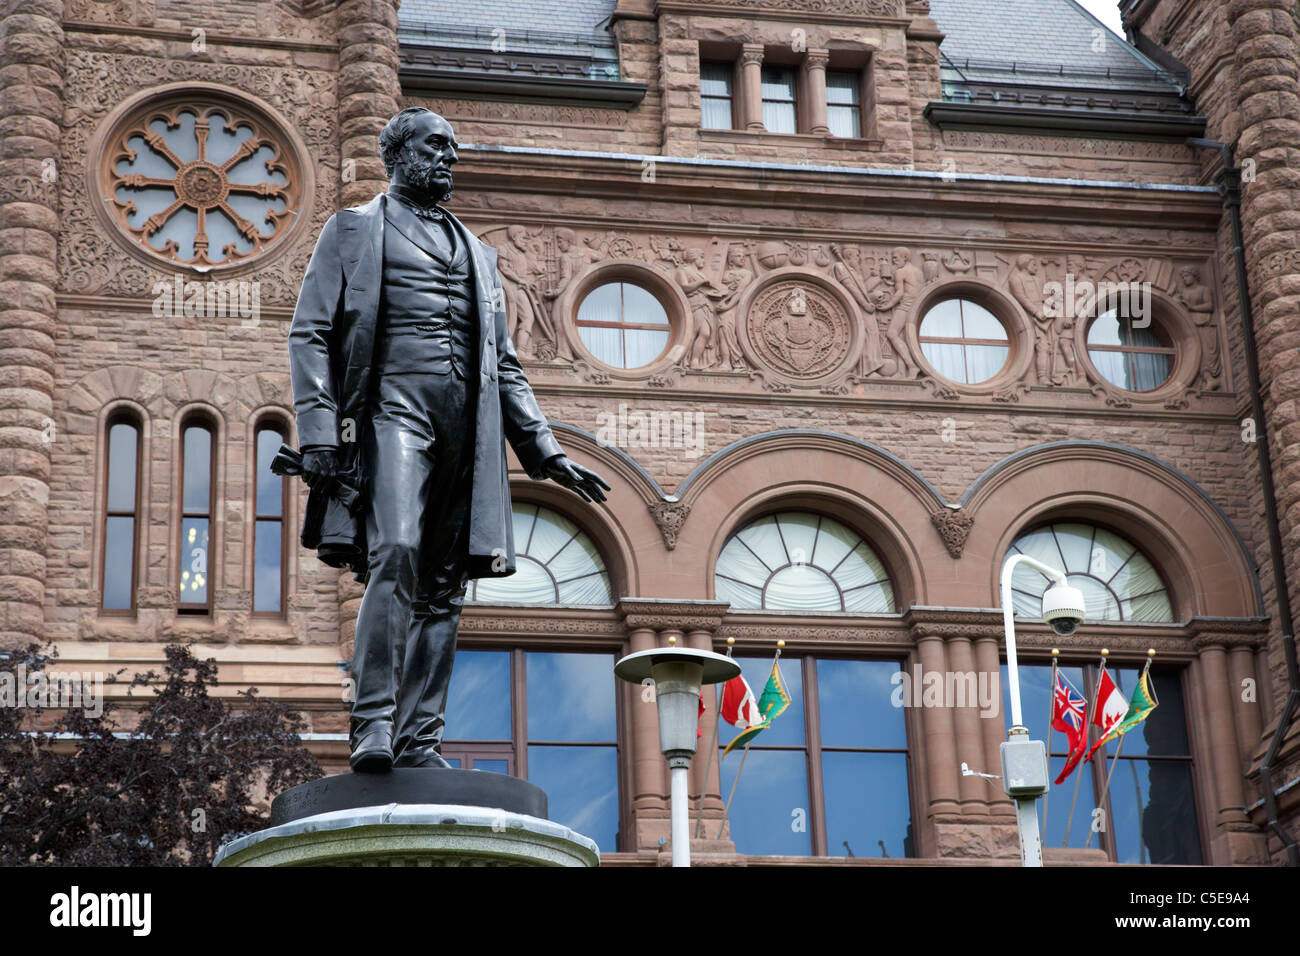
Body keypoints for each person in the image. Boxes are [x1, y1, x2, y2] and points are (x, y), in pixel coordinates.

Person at [288, 108, 609, 773]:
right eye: (436, 147)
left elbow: (506, 364)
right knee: (397, 550)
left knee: (443, 586)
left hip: (467, 424)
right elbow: (311, 332)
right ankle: (373, 724)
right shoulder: (352, 231)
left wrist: (545, 450)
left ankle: (419, 739)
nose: (449, 159)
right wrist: (320, 432)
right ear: (397, 154)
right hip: (390, 411)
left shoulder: (480, 255)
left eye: (454, 150)